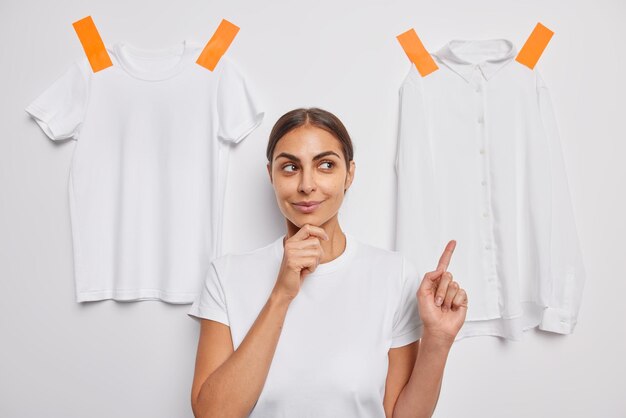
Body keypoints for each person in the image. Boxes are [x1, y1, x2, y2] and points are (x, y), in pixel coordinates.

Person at [188, 108, 468, 418]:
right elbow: (212, 414)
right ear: (271, 175)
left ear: (349, 173)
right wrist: (281, 294)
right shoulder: (227, 276)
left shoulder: (394, 275)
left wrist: (438, 341)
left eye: (325, 165)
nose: (307, 184)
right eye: (290, 167)